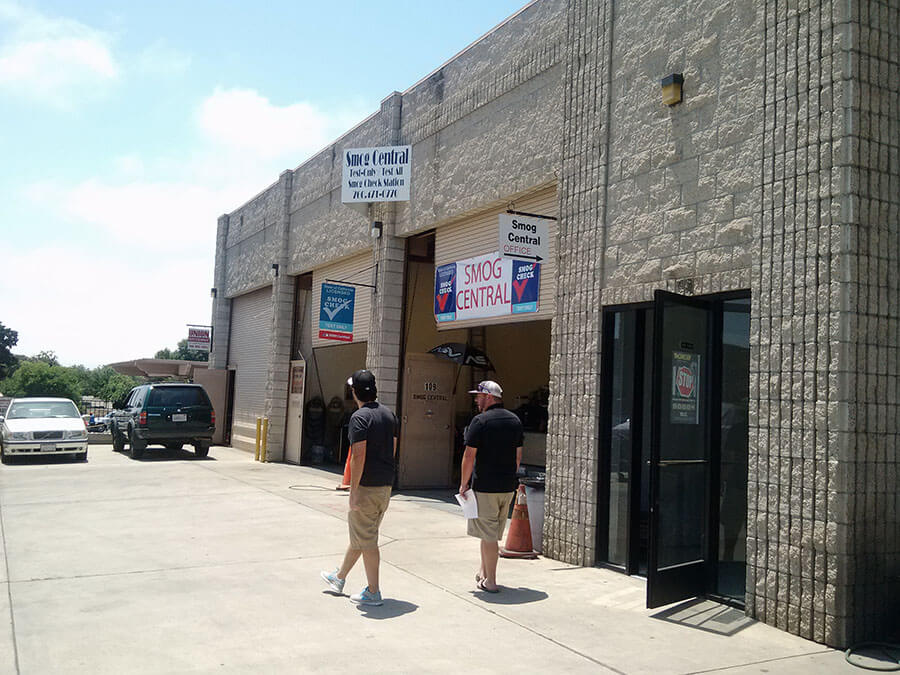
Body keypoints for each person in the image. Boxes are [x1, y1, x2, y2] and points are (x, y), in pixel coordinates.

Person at [321, 369, 398, 606]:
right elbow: (393, 448)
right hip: (385, 486)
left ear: (354, 391)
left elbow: (358, 455)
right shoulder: (389, 415)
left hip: (366, 487)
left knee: (368, 541)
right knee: (363, 536)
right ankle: (339, 577)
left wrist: (352, 489)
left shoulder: (359, 417)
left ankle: (373, 592)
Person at [459, 380, 523, 593]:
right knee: (492, 534)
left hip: (486, 486)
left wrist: (463, 483)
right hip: (507, 487)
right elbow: (518, 455)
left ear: (488, 397)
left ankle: (491, 581)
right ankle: (483, 572)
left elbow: (469, 456)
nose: (476, 400)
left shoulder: (480, 421)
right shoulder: (515, 421)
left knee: (488, 535)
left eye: (478, 396)